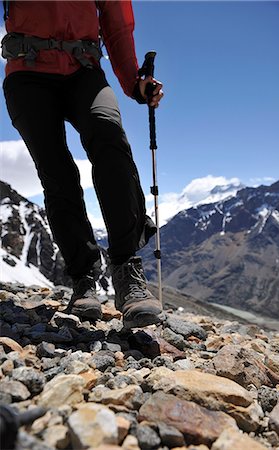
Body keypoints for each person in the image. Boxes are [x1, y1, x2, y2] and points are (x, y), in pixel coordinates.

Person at [1, 1, 164, 328]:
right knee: (56, 172)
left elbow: (117, 25)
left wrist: (134, 81)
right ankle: (84, 280)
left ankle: (126, 270)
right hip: (27, 72)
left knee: (110, 138)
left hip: (85, 69)